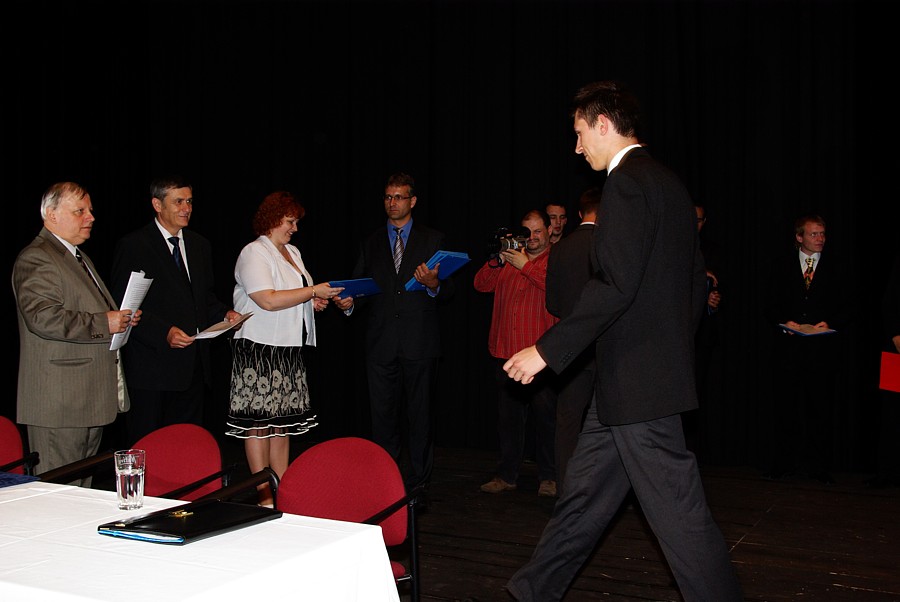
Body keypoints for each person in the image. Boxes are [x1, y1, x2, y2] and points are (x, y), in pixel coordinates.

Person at [502, 80, 743, 601]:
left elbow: (615, 285)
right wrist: (669, 349)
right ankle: (532, 591)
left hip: (639, 386)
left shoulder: (627, 184)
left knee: (680, 517)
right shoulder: (669, 184)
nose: (576, 147)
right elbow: (694, 284)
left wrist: (545, 350)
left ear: (604, 125)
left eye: (579, 133)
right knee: (583, 501)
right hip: (630, 382)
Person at [333, 172, 454, 492]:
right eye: (388, 197)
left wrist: (434, 284)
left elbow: (450, 291)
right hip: (381, 342)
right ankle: (384, 481)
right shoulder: (371, 241)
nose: (392, 202)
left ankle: (419, 482)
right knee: (382, 416)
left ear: (412, 201)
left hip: (420, 342)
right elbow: (361, 287)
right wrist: (349, 303)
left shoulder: (433, 239)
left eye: (399, 197)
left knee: (420, 416)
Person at [13, 182, 141, 484]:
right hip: (60, 403)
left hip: (86, 399)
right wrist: (104, 323)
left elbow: (86, 311)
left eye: (90, 210)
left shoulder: (76, 256)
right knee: (58, 493)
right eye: (80, 211)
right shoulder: (37, 257)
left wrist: (120, 319)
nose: (91, 217)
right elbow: (42, 318)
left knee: (80, 492)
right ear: (52, 214)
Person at [227, 191, 344, 506]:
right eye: (290, 221)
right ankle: (264, 495)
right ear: (272, 219)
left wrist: (312, 302)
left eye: (295, 222)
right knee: (259, 424)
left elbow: (296, 293)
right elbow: (267, 299)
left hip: (287, 348)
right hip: (259, 347)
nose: (295, 228)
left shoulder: (292, 251)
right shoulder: (254, 252)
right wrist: (311, 292)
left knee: (282, 424)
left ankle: (283, 493)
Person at [110, 175, 241, 446]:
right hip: (151, 370)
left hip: (192, 368)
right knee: (148, 446)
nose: (186, 208)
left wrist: (225, 314)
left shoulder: (199, 245)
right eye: (178, 201)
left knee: (185, 446)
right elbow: (126, 306)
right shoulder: (134, 245)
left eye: (190, 201)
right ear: (157, 205)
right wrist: (164, 332)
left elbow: (203, 298)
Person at [474, 209, 559, 498]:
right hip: (506, 353)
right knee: (508, 422)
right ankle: (506, 475)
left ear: (549, 231)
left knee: (547, 421)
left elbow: (556, 289)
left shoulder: (556, 260)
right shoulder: (510, 258)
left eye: (538, 231)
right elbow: (480, 284)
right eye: (527, 231)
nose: (532, 237)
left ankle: (549, 477)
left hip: (541, 358)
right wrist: (497, 259)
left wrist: (526, 266)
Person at [762, 214, 852, 485]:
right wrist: (784, 322)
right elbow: (769, 302)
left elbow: (848, 305)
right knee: (785, 409)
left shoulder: (836, 266)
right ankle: (783, 463)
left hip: (821, 353)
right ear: (799, 237)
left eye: (822, 234)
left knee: (820, 410)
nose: (820, 239)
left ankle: (818, 466)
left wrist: (830, 323)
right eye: (814, 234)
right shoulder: (781, 265)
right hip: (788, 351)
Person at [544, 187, 601, 497]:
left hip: (571, 350)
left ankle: (566, 492)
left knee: (567, 422)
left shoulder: (561, 249)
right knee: (613, 422)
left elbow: (552, 304)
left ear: (579, 214)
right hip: (607, 348)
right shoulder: (610, 244)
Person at [683, 204, 723, 458]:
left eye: (698, 220)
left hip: (702, 332)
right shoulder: (674, 245)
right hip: (677, 331)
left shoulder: (712, 250)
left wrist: (713, 300)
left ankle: (692, 451)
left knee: (697, 392)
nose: (694, 224)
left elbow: (718, 287)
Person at [866, 253, 900, 488]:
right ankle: (888, 472)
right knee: (892, 412)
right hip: (896, 350)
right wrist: (896, 333)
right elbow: (890, 301)